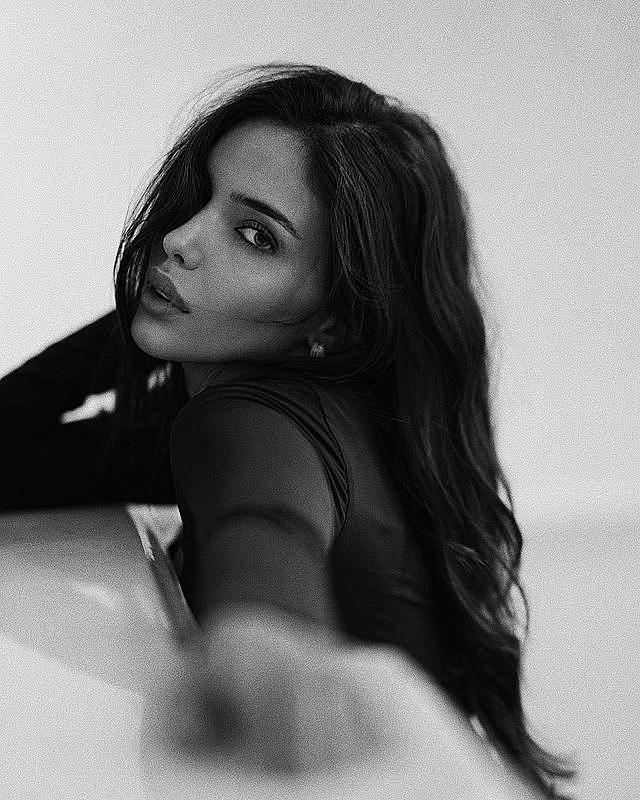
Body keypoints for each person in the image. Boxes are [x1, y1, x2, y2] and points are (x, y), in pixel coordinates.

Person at [0, 63, 574, 796]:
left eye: (255, 235)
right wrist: (138, 324)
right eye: (197, 197)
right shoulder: (268, 408)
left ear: (335, 320)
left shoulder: (253, 416)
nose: (179, 238)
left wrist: (265, 630)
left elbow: (265, 518)